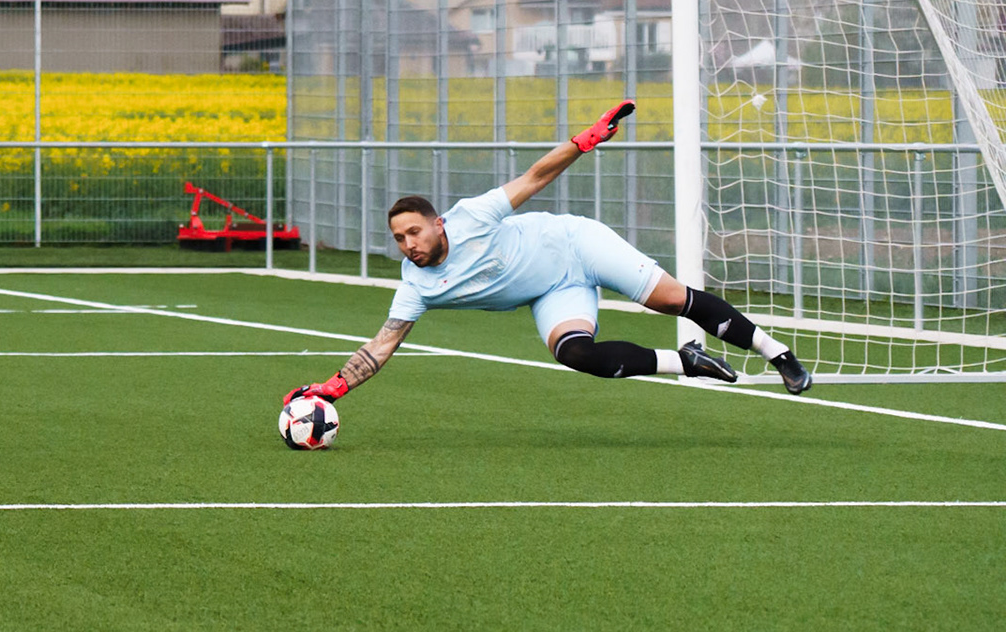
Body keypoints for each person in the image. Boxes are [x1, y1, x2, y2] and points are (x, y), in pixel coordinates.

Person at [285, 100, 813, 408]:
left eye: (415, 232)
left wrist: (585, 141)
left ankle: (778, 355)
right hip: (552, 290)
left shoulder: (472, 215)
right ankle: (688, 362)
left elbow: (534, 178)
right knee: (574, 353)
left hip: (576, 244)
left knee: (671, 300)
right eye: (399, 239)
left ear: (437, 222)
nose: (409, 245)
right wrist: (331, 389)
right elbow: (382, 345)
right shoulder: (414, 285)